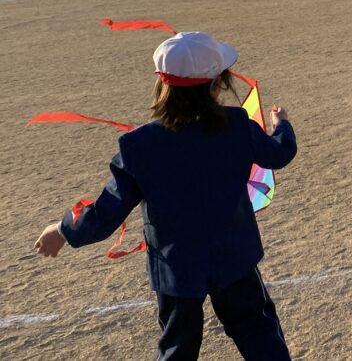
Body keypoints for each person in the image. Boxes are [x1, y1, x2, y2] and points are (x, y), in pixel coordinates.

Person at [34, 32, 296, 359]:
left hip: (176, 269)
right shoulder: (237, 125)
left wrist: (63, 230)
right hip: (234, 259)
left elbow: (105, 214)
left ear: (162, 87)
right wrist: (282, 124)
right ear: (216, 86)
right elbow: (280, 154)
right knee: (259, 335)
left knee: (177, 348)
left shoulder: (138, 146)